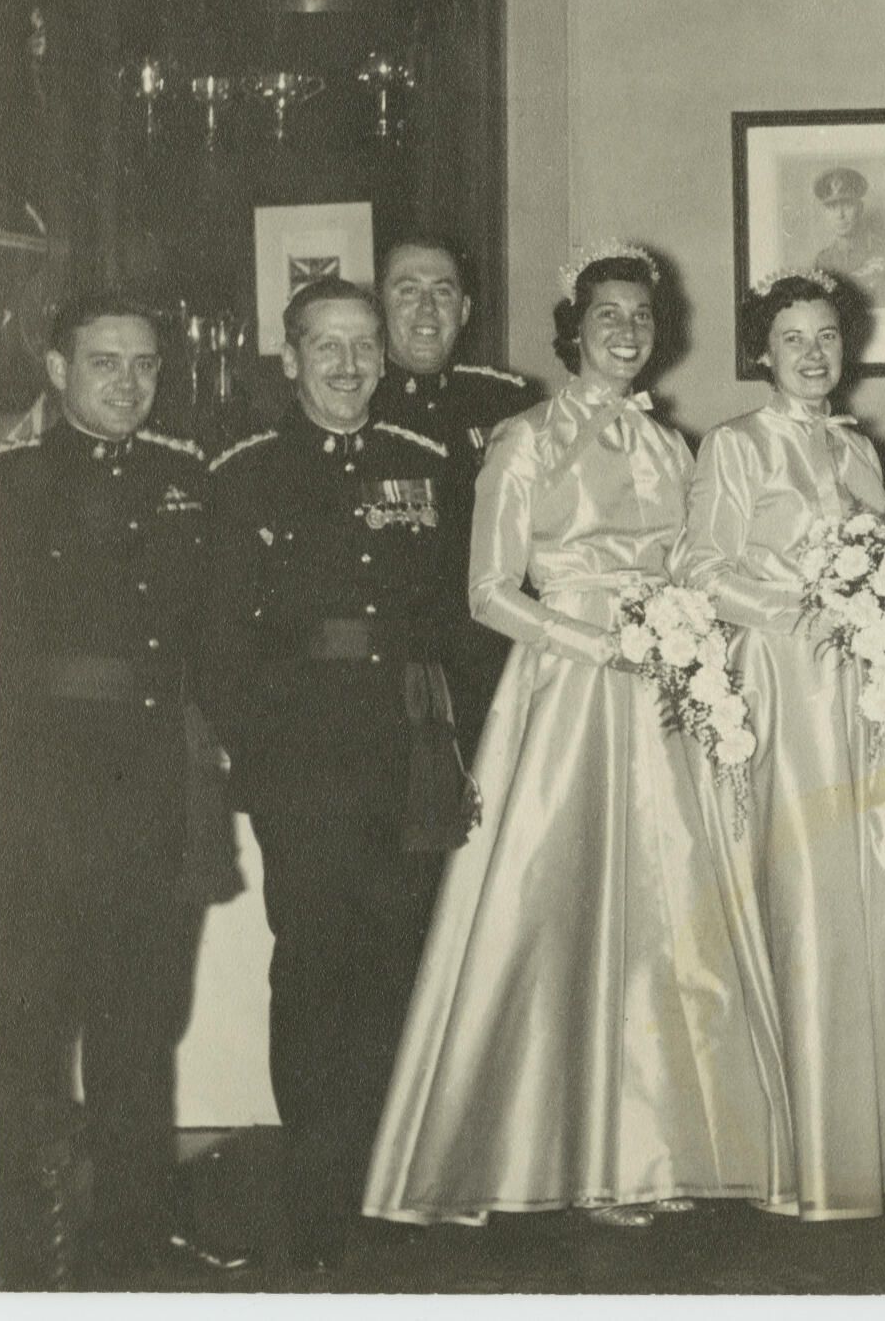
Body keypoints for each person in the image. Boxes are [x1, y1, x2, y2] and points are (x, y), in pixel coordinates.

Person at [364, 246, 795, 1228]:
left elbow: (692, 566)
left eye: (641, 316)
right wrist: (601, 645)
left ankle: (658, 1146)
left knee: (666, 915)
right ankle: (564, 1154)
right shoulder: (523, 440)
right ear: (574, 329)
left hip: (663, 693)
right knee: (560, 908)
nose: (626, 332)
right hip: (567, 690)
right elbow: (487, 591)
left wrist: (687, 645)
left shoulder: (671, 446)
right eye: (608, 315)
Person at [671, 270, 885, 1219]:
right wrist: (806, 607)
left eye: (827, 336)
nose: (812, 353)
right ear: (762, 351)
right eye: (792, 338)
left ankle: (877, 1141)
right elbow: (700, 568)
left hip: (865, 684)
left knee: (875, 884)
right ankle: (798, 1151)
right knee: (803, 886)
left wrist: (880, 603)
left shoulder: (860, 448)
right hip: (785, 682)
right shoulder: (736, 445)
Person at [203, 277, 462, 1273]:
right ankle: (317, 1198)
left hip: (407, 746)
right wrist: (261, 755)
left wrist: (459, 745)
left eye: (364, 347)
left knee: (403, 963)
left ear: (384, 359)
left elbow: (456, 619)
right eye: (327, 347)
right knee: (315, 968)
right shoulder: (247, 473)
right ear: (290, 358)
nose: (349, 366)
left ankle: (389, 1186)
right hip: (303, 757)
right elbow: (219, 639)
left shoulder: (425, 465)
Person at [0, 293, 246, 1284]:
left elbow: (216, 640)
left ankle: (134, 1240)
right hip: (38, 788)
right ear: (56, 370)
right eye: (105, 362)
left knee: (141, 1024)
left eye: (144, 365)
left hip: (152, 786)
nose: (129, 383)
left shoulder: (188, 482)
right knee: (29, 1026)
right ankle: (19, 1241)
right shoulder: (2, 486)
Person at [370, 232, 540, 747]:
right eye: (407, 291)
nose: (427, 309)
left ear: (464, 310)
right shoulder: (355, 403)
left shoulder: (506, 402)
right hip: (398, 677)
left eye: (442, 292)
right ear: (378, 307)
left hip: (497, 665)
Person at [811, 167, 885, 307]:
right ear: (826, 214)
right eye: (832, 207)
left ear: (860, 208)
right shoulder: (822, 262)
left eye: (847, 204)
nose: (840, 215)